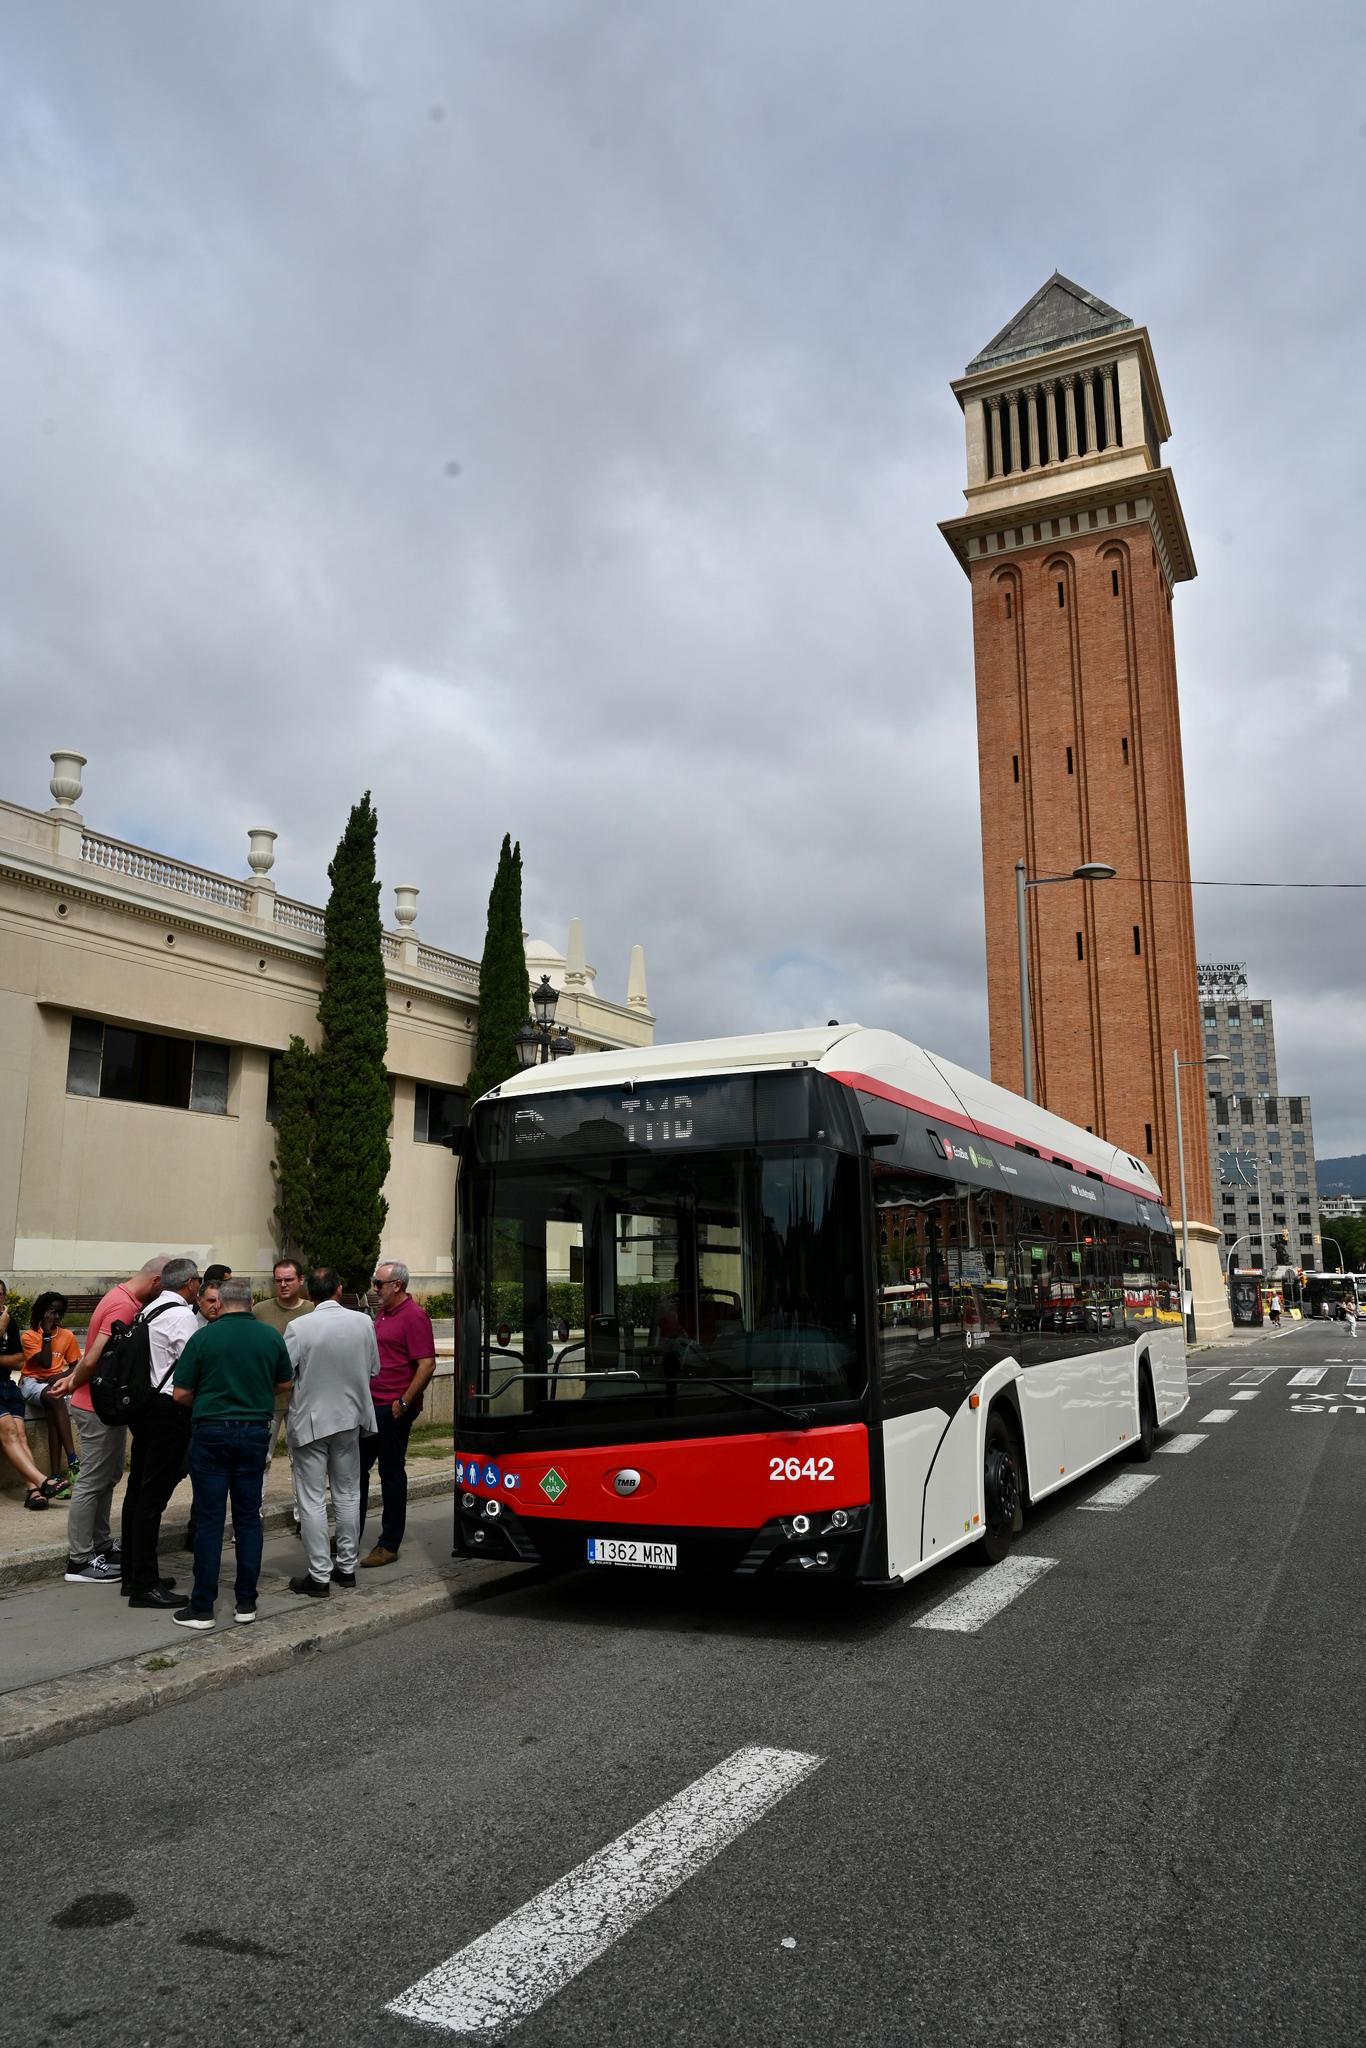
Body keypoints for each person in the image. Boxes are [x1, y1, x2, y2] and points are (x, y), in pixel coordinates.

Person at [170, 1275, 293, 1629]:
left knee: (209, 1520)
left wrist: (210, 1399)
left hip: (211, 1430)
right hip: (255, 1429)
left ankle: (203, 1606)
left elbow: (180, 1393)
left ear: (220, 1302)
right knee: (248, 1518)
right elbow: (285, 1382)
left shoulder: (204, 1336)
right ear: (251, 1301)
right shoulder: (270, 1336)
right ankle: (246, 1602)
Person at [49, 1256, 168, 1584]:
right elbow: (94, 1355)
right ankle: (80, 1560)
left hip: (100, 1405)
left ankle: (99, 1543)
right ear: (156, 1281)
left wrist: (73, 1380)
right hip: (95, 1407)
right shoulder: (123, 1307)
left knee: (108, 1475)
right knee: (92, 1480)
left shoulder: (120, 1297)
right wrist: (73, 1382)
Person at [283, 1267, 381, 1597]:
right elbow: (373, 1368)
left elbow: (284, 1373)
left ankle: (320, 1573)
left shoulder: (299, 1327)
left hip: (311, 1420)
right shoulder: (363, 1322)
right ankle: (347, 1567)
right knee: (348, 1493)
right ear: (339, 1289)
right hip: (349, 1419)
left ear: (310, 1293)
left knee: (311, 1499)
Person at [120, 1256, 200, 1608]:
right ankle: (145, 1585)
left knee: (138, 1492)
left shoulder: (147, 1311)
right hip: (168, 1412)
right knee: (152, 1498)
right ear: (191, 1283)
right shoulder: (182, 1314)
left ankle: (134, 1574)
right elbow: (193, 1364)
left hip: (144, 1408)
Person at [360, 1259, 437, 1568]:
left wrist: (404, 1402)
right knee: (357, 1472)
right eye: (374, 1283)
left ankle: (389, 1543)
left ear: (397, 1286)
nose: (374, 1289)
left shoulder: (414, 1316)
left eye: (379, 1284)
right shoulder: (383, 1312)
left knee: (391, 1473)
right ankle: (352, 1533)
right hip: (370, 1405)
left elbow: (427, 1364)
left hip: (392, 1409)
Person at [1, 1278, 66, 1511]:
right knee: (9, 1429)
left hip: (7, 1386)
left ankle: (34, 1491)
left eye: (0, 1294)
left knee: (20, 1433)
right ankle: (42, 1481)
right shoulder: (5, 1323)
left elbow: (19, 1362)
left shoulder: (9, 1323)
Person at [253, 1258, 313, 1509]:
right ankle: (254, 1517)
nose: (283, 1285)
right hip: (269, 1397)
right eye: (278, 1280)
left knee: (301, 1459)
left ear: (300, 1280)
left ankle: (304, 1517)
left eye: (289, 1279)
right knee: (260, 1459)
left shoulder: (312, 1310)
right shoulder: (260, 1311)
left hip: (303, 1398)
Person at [19, 1293, 82, 1489]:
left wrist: (62, 1376)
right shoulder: (30, 1335)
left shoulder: (67, 1335)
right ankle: (73, 1459)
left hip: (53, 1384)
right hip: (32, 1382)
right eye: (52, 1312)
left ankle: (55, 1476)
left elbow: (75, 1366)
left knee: (53, 1412)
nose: (56, 1318)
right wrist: (46, 1334)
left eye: (59, 1313)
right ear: (42, 1311)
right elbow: (45, 1363)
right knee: (56, 1397)